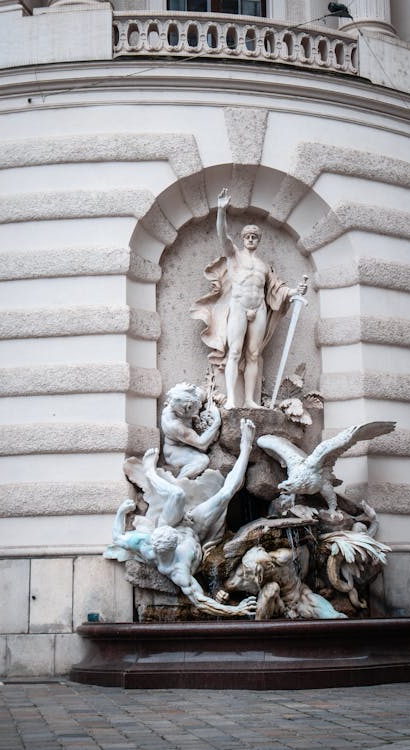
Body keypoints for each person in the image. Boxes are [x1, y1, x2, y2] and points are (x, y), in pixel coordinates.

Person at [107, 419, 258, 618]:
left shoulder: (145, 542)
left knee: (177, 495)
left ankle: (150, 472)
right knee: (225, 494)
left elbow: (117, 538)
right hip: (198, 531)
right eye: (175, 537)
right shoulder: (178, 570)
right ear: (173, 545)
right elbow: (201, 601)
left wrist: (120, 513)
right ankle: (246, 447)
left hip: (176, 523)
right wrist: (235, 610)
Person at [192, 188, 307, 409]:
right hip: (239, 306)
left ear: (258, 240)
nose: (251, 239)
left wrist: (295, 291)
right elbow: (222, 236)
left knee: (254, 354)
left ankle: (249, 400)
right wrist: (221, 212)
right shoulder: (234, 255)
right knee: (235, 352)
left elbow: (277, 289)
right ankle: (233, 399)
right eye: (248, 236)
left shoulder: (264, 266)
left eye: (255, 237)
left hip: (259, 309)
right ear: (243, 239)